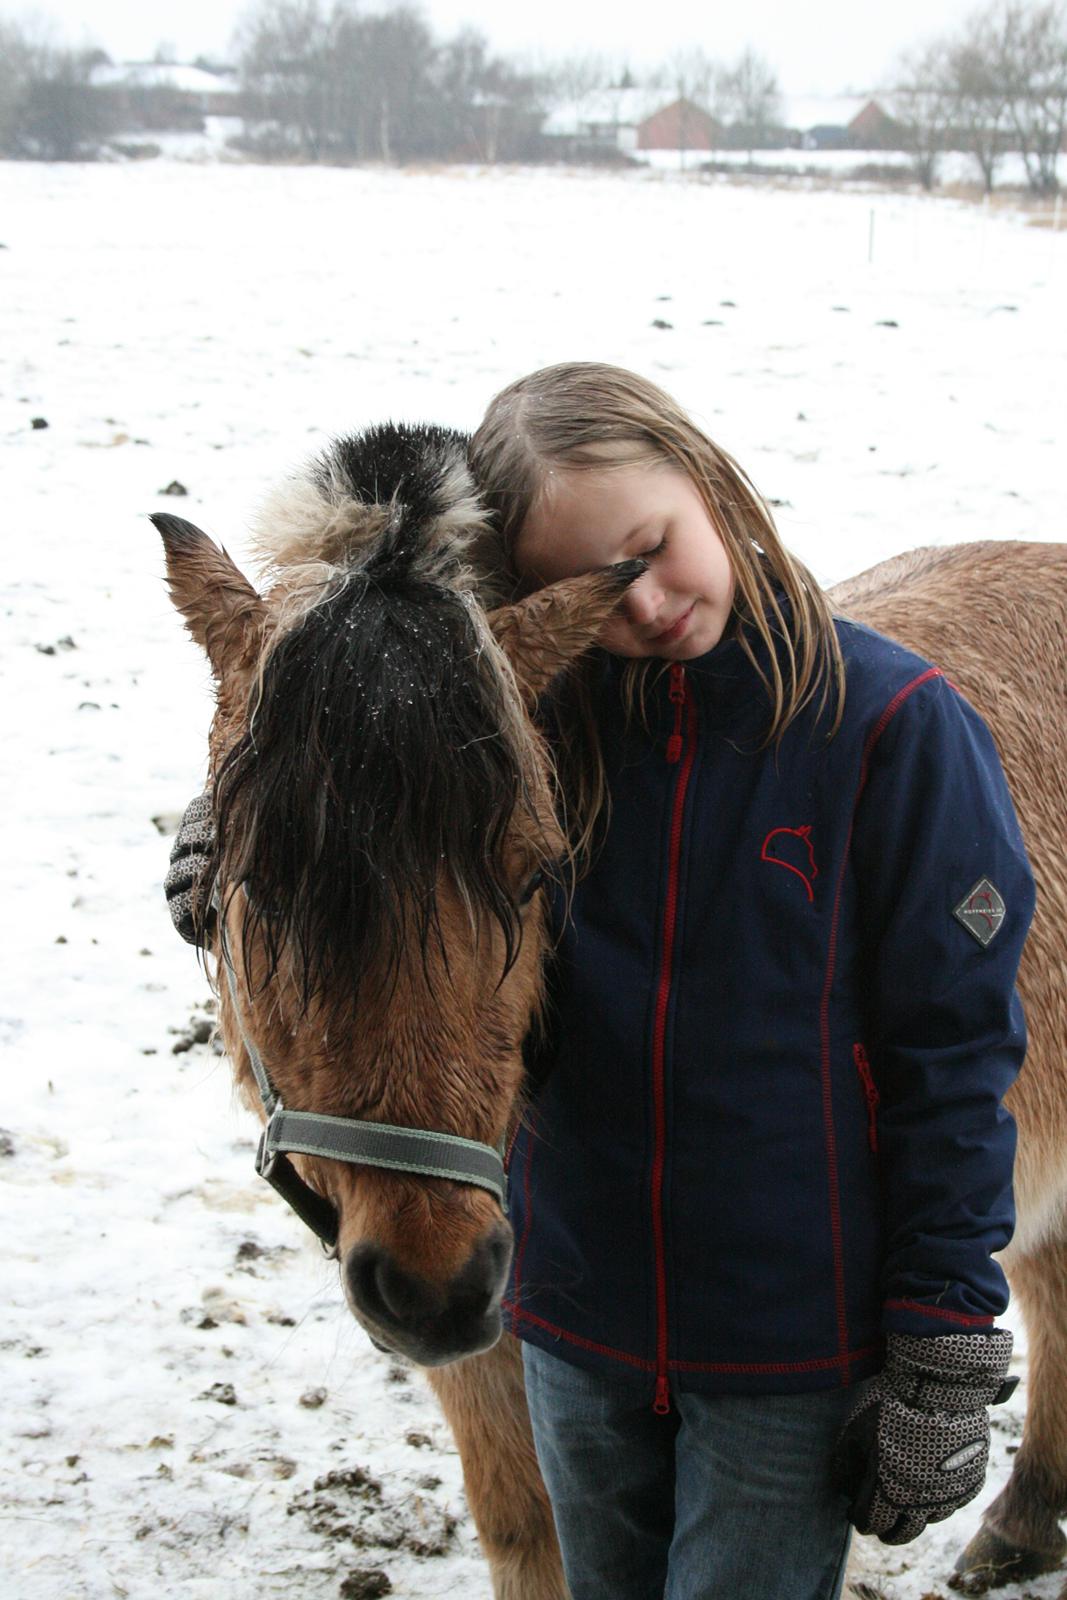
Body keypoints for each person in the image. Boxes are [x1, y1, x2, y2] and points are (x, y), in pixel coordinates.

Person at [167, 364, 1034, 1600]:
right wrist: (242, 830)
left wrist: (944, 1342)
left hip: (782, 1344)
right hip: (586, 1327)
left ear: (707, 477)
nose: (648, 604)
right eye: (595, 589)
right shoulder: (545, 723)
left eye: (649, 550)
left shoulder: (894, 729)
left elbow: (953, 1055)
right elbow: (373, 767)